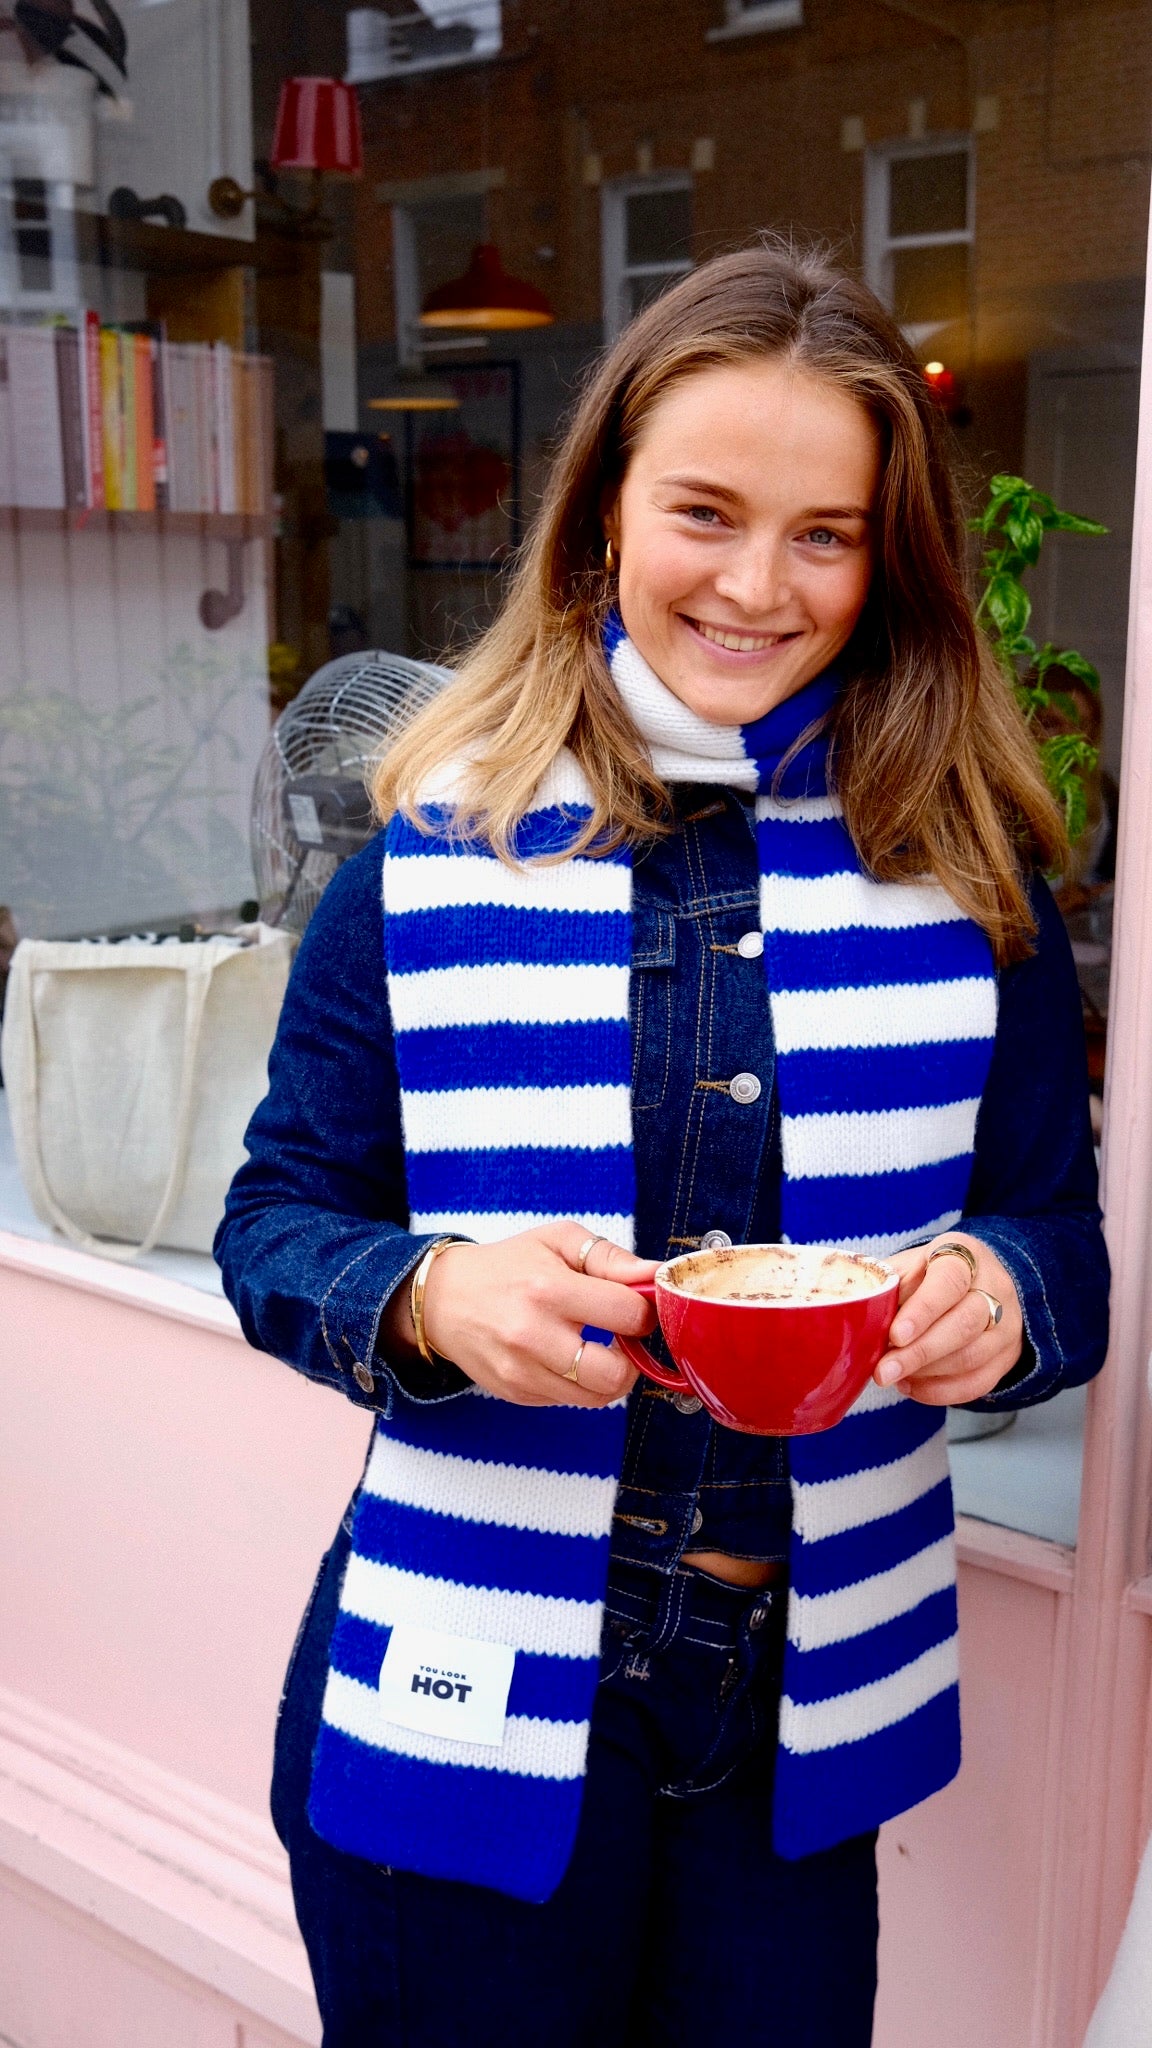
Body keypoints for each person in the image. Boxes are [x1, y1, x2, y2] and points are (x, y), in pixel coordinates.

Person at [216, 240, 1109, 2048]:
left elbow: (1059, 1242)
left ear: (889, 556)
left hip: (797, 1709)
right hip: (467, 1676)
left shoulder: (965, 868)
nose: (758, 586)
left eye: (825, 533)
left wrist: (1002, 1295)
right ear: (605, 509)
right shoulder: (437, 844)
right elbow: (276, 1222)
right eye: (705, 511)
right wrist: (433, 1296)